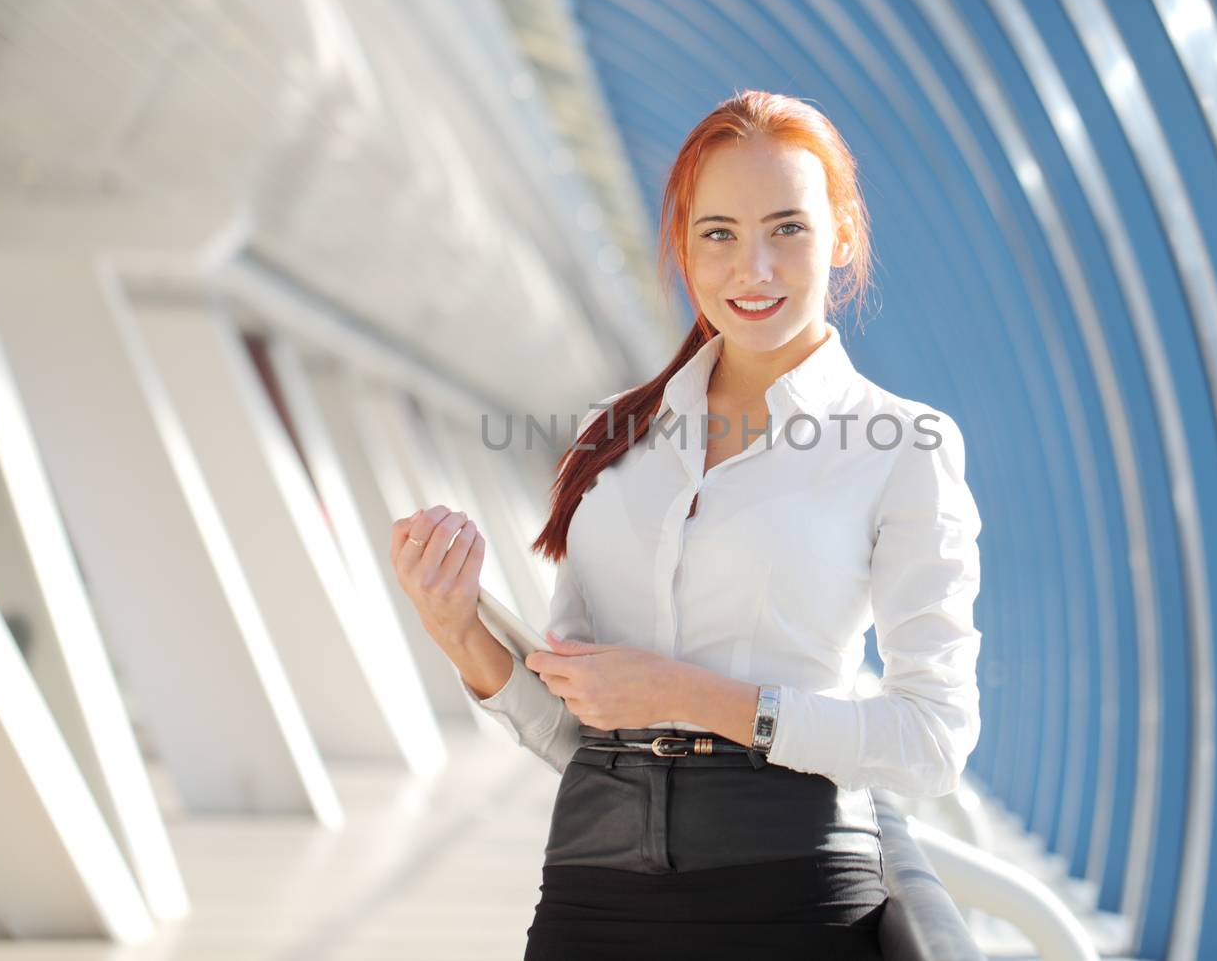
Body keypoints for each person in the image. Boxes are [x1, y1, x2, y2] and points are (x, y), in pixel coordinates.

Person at [390, 89, 984, 959]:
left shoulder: (901, 445)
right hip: (590, 890)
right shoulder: (612, 434)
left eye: (788, 228)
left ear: (843, 236)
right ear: (682, 245)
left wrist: (688, 696)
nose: (755, 269)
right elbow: (573, 729)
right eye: (719, 233)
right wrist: (458, 631)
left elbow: (933, 739)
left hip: (789, 890)